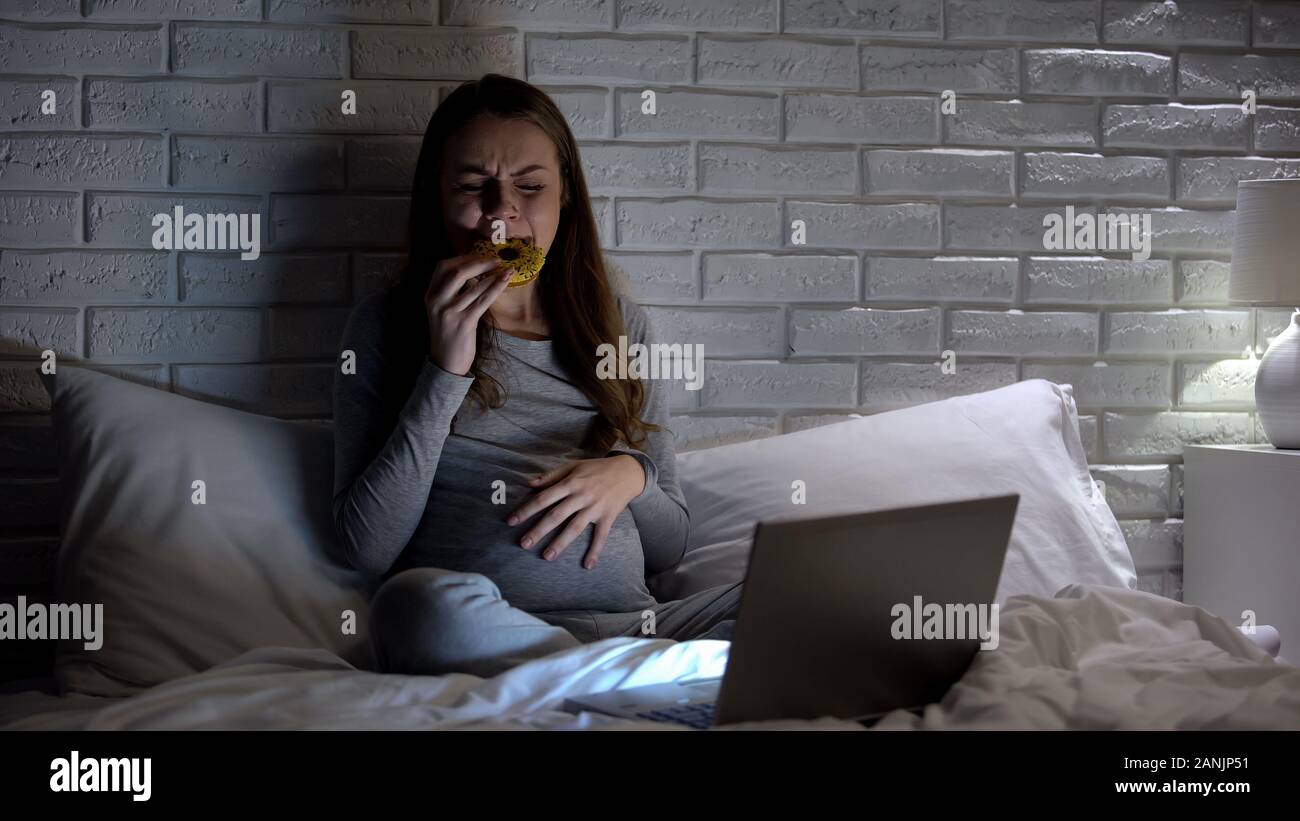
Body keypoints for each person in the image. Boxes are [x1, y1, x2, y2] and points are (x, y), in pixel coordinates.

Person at [331, 74, 742, 678]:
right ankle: (636, 679)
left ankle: (601, 677)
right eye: (474, 186)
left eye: (530, 187)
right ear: (436, 197)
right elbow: (366, 549)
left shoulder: (621, 326)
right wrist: (445, 369)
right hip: (491, 628)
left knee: (808, 595)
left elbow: (669, 546)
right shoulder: (385, 327)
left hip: (635, 624)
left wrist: (632, 474)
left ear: (566, 195)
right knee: (412, 607)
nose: (502, 212)